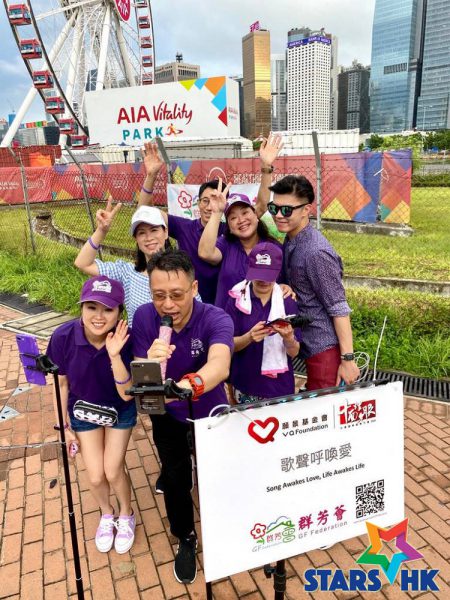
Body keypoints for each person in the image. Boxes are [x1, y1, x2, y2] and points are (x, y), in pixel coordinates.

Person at [132, 248, 233, 584]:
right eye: (159, 295)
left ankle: (227, 528)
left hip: (209, 411)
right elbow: (140, 376)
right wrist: (150, 361)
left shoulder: (215, 317)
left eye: (176, 295)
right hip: (166, 413)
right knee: (175, 479)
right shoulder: (144, 317)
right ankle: (185, 537)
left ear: (194, 288)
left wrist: (189, 385)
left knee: (218, 473)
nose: (168, 305)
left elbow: (220, 364)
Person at [46, 276, 137, 554]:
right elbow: (60, 383)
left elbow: (127, 394)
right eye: (91, 307)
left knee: (113, 469)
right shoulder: (63, 337)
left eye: (108, 309)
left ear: (119, 312)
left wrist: (115, 355)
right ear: (81, 308)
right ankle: (107, 513)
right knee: (96, 476)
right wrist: (63, 427)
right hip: (83, 412)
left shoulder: (129, 339)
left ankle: (126, 513)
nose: (99, 316)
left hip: (119, 410)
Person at [138, 136, 283, 303]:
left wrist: (266, 167)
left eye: (216, 201)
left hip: (225, 302)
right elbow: (145, 212)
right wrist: (151, 175)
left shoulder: (232, 231)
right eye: (205, 201)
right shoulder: (184, 227)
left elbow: (260, 207)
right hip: (193, 302)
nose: (210, 206)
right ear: (198, 203)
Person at [268, 175, 360, 389]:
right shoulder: (292, 238)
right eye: (274, 208)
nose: (279, 215)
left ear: (306, 210)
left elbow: (338, 307)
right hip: (305, 342)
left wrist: (347, 359)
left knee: (324, 404)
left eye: (287, 210)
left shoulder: (316, 252)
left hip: (323, 347)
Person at [224, 242, 301, 403]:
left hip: (278, 388)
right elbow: (226, 345)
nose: (263, 281)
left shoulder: (287, 301)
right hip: (244, 384)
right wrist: (248, 337)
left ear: (278, 272)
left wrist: (288, 338)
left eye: (268, 276)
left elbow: (294, 352)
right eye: (259, 275)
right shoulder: (237, 298)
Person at [74, 199, 168, 326]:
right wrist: (101, 230)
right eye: (142, 233)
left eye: (154, 230)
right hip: (137, 338)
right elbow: (82, 263)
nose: (149, 237)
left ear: (165, 232)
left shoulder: (181, 271)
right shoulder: (127, 272)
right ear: (136, 239)